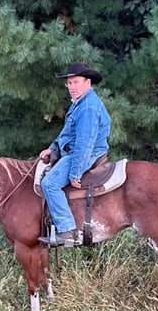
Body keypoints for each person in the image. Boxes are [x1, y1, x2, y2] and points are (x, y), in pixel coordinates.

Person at [37, 62, 111, 247]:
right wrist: (52, 147)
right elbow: (67, 133)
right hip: (76, 151)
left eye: (76, 82)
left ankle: (67, 231)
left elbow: (84, 144)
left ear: (87, 82)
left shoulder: (88, 107)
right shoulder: (79, 103)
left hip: (87, 153)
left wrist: (75, 173)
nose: (72, 87)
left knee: (50, 184)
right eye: (69, 83)